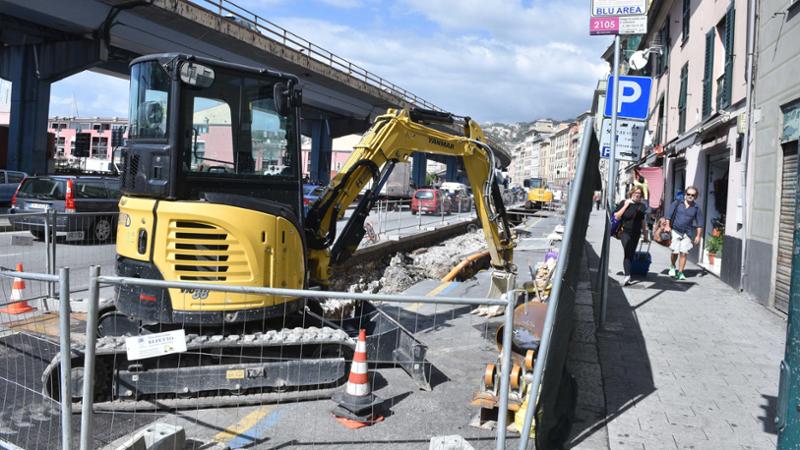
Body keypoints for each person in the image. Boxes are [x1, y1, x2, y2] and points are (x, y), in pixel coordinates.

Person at [664, 186, 704, 280]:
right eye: (688, 194)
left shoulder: (696, 208)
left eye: (693, 195)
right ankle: (673, 266)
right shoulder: (677, 203)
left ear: (695, 196)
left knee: (684, 253)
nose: (690, 196)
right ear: (685, 194)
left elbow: (700, 224)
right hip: (675, 231)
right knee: (675, 251)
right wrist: (667, 225)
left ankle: (680, 272)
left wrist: (698, 236)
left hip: (687, 233)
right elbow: (668, 216)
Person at [614, 186, 649, 286]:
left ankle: (628, 273)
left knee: (630, 254)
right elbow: (617, 216)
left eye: (639, 193)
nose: (637, 194)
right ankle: (627, 275)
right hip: (624, 231)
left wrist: (646, 236)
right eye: (635, 192)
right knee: (628, 249)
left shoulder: (642, 206)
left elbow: (643, 221)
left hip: (636, 233)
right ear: (631, 193)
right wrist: (626, 205)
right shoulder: (624, 202)